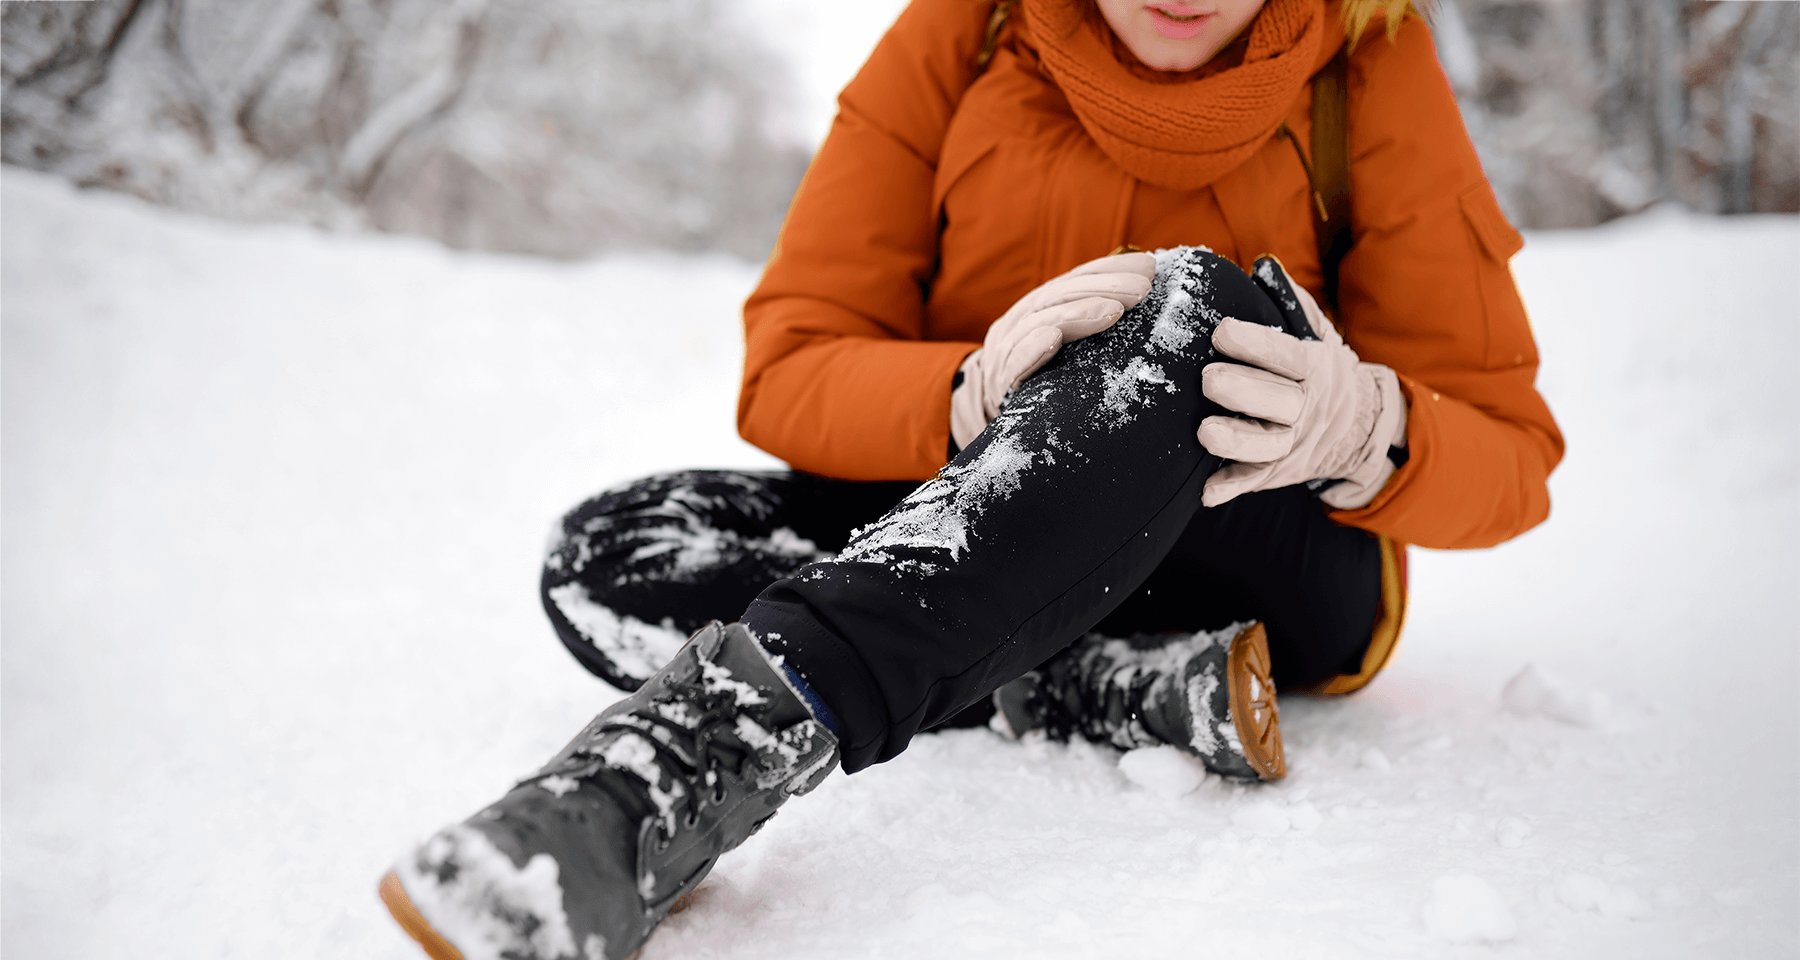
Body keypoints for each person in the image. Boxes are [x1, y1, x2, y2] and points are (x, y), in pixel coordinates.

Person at [378, 0, 1563, 957]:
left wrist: (1365, 428)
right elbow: (790, 364)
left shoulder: (1373, 56)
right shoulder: (966, 32)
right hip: (973, 505)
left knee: (1192, 309)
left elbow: (1513, 454)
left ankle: (682, 765)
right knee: (614, 553)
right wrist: (969, 392)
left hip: (1255, 554)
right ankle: (1074, 681)